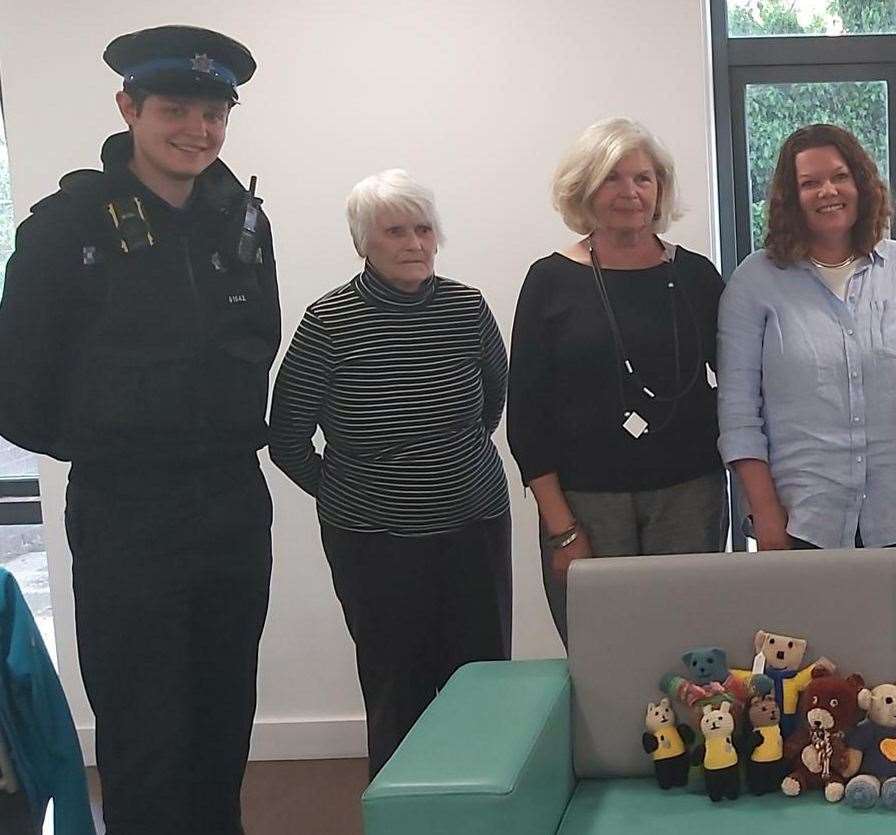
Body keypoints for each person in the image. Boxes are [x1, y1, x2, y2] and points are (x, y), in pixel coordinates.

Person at [0, 26, 277, 834]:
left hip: (231, 503)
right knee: (144, 732)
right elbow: (17, 385)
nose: (197, 129)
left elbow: (259, 342)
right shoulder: (65, 227)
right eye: (175, 109)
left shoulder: (244, 220)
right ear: (129, 107)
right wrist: (114, 435)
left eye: (214, 113)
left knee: (225, 720)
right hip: (127, 509)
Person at [268, 169, 512, 777]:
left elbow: (492, 403)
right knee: (395, 689)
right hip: (372, 541)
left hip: (473, 523)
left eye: (423, 229)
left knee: (481, 682)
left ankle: (482, 809)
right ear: (363, 243)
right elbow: (287, 438)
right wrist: (353, 493)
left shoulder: (466, 306)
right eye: (394, 230)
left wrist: (443, 466)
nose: (413, 243)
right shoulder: (328, 322)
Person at [509, 118, 726, 644]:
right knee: (604, 657)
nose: (629, 192)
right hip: (586, 506)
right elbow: (527, 420)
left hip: (688, 498)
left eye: (643, 179)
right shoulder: (549, 281)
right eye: (612, 178)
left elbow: (743, 389)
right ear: (585, 187)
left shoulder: (698, 277)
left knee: (690, 659)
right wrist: (562, 530)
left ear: (660, 190)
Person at [719, 124, 896, 550]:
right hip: (801, 523)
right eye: (809, 183)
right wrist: (764, 516)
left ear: (861, 182)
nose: (827, 191)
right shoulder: (755, 282)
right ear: (790, 198)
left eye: (840, 176)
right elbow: (739, 417)